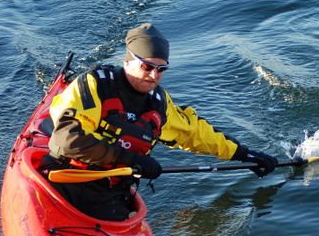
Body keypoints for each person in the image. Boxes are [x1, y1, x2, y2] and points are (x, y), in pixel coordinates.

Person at [43, 23, 278, 221]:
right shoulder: (95, 85)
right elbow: (68, 140)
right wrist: (132, 160)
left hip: (110, 191)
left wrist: (244, 155)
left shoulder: (158, 103)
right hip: (63, 179)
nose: (154, 75)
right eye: (147, 67)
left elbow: (193, 133)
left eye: (161, 69)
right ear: (127, 62)